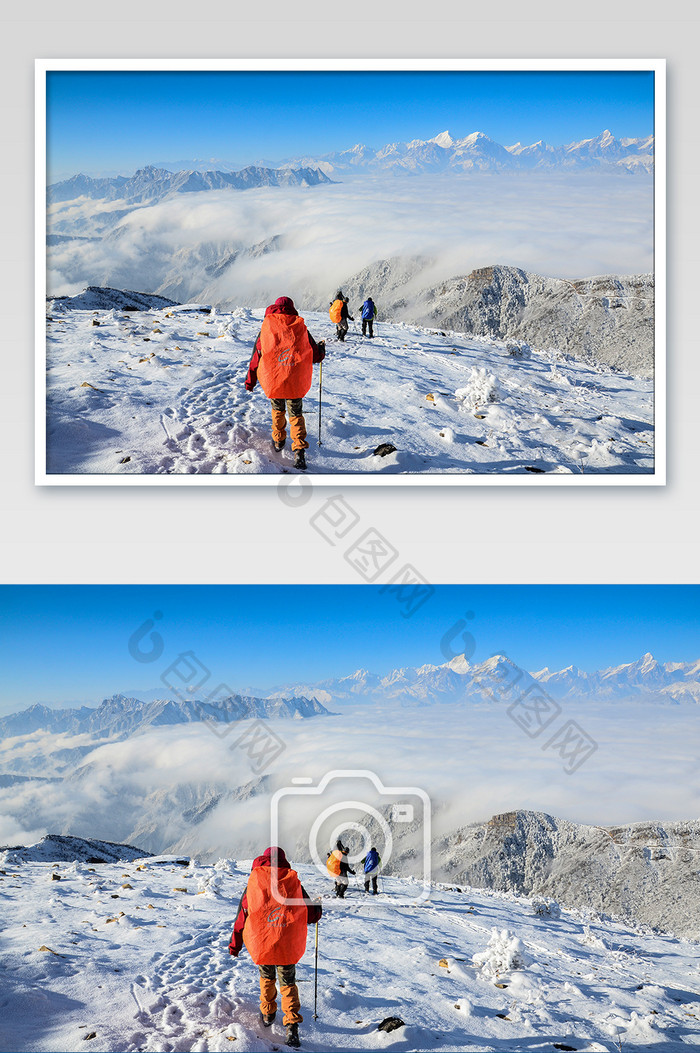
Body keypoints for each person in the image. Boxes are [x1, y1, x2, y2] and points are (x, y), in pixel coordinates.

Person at [229, 845, 322, 1049]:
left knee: (266, 977)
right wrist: (317, 906)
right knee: (288, 983)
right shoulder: (291, 880)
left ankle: (268, 1013)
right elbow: (311, 914)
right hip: (286, 945)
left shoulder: (254, 881)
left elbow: (242, 914)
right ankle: (291, 1026)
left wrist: (235, 944)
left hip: (263, 943)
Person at [245, 296, 325, 471]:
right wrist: (321, 349)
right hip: (295, 382)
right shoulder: (300, 326)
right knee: (296, 414)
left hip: (274, 380)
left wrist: (250, 381)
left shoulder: (266, 327)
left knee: (277, 410)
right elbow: (315, 355)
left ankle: (279, 440)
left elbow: (256, 355)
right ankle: (299, 450)